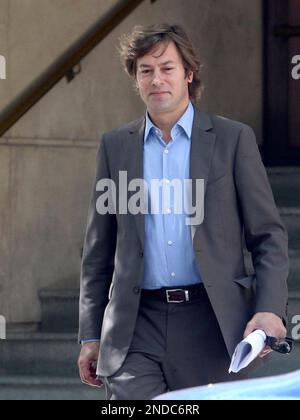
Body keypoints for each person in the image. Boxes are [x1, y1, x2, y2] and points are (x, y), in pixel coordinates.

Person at [77, 23, 289, 400]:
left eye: (167, 68)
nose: (156, 79)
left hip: (212, 323)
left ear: (188, 74)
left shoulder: (231, 140)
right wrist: (92, 335)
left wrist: (270, 308)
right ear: (137, 80)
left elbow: (268, 237)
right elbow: (98, 252)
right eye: (146, 70)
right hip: (135, 326)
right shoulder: (115, 147)